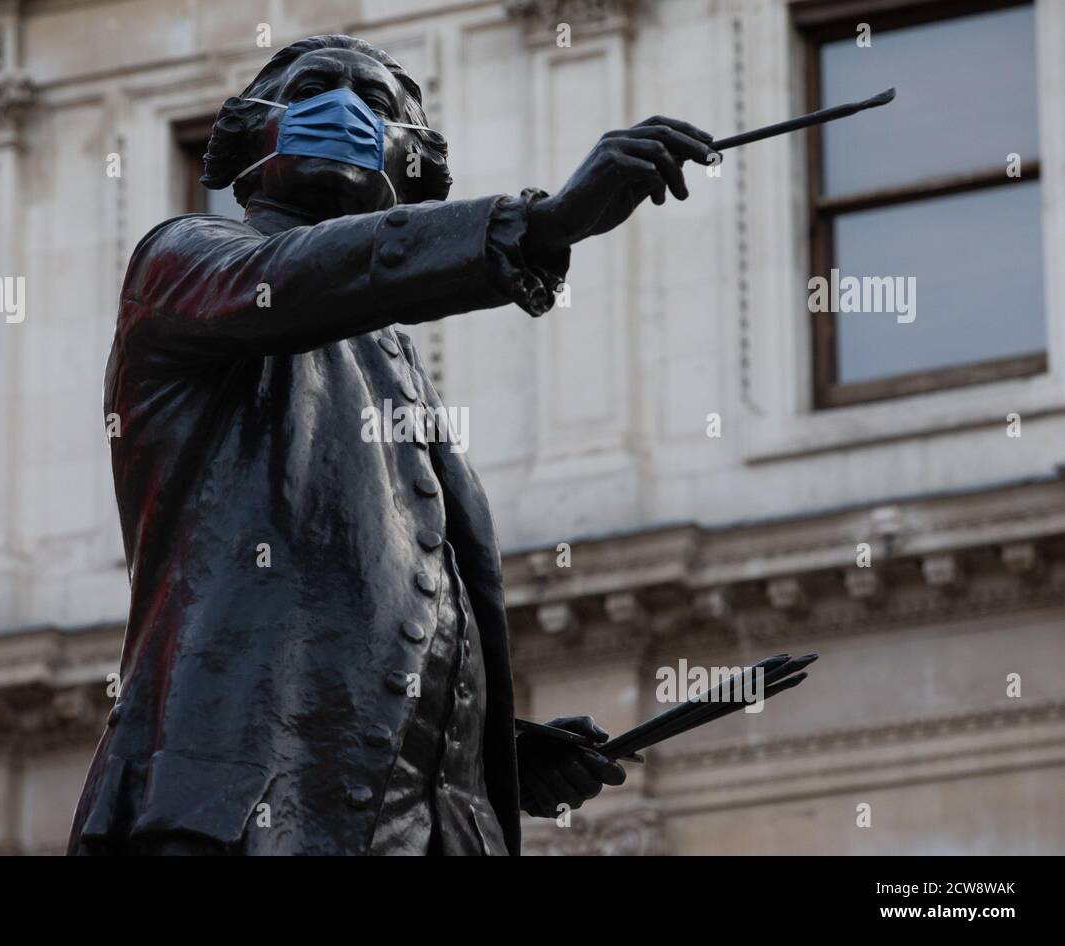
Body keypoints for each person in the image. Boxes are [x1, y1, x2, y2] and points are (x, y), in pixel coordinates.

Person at [68, 33, 714, 856]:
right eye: (310, 90)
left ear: (414, 165)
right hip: (237, 817)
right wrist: (541, 222)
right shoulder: (185, 265)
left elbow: (352, 612)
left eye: (376, 104)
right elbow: (304, 277)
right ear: (250, 142)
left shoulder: (397, 365)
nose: (340, 111)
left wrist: (481, 747)